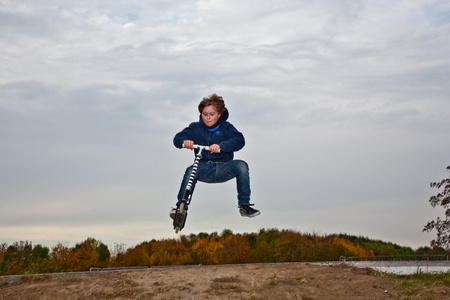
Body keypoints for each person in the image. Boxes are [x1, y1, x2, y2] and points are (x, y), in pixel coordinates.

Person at [171, 94, 260, 219]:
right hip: (203, 167)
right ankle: (180, 209)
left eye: (211, 114)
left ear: (219, 114)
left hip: (225, 167)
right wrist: (185, 141)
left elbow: (240, 140)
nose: (207, 118)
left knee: (242, 165)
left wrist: (221, 146)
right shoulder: (195, 128)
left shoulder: (226, 127)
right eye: (205, 114)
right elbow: (177, 139)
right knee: (190, 171)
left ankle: (244, 205)